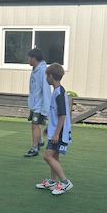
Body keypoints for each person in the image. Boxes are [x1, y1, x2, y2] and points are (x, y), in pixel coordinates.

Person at [36, 62, 73, 195]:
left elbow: (62, 115)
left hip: (59, 133)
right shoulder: (57, 91)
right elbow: (55, 114)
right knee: (54, 157)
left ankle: (65, 182)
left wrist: (56, 133)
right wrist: (48, 127)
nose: (46, 78)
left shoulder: (59, 93)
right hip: (55, 131)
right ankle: (52, 181)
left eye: (47, 76)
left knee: (47, 156)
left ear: (51, 76)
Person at [24, 48, 52, 157]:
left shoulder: (43, 72)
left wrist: (45, 109)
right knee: (34, 124)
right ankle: (39, 140)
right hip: (34, 103)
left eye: (29, 58)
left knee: (35, 125)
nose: (28, 60)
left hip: (40, 105)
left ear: (34, 58)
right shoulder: (35, 69)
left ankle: (34, 148)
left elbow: (46, 90)